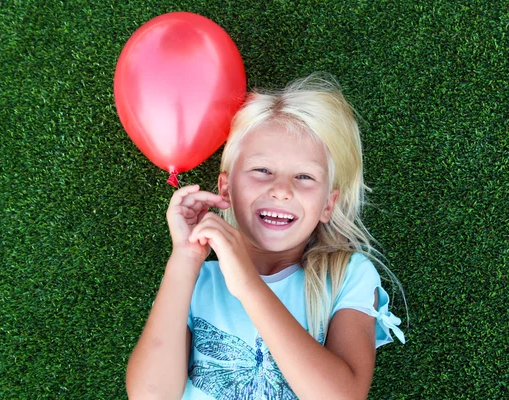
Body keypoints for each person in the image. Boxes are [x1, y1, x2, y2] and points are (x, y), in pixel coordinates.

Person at [126, 72, 406, 399]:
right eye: (263, 171)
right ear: (225, 187)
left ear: (328, 205)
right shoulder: (195, 281)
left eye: (304, 176)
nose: (282, 190)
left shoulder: (347, 277)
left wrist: (247, 283)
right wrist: (184, 259)